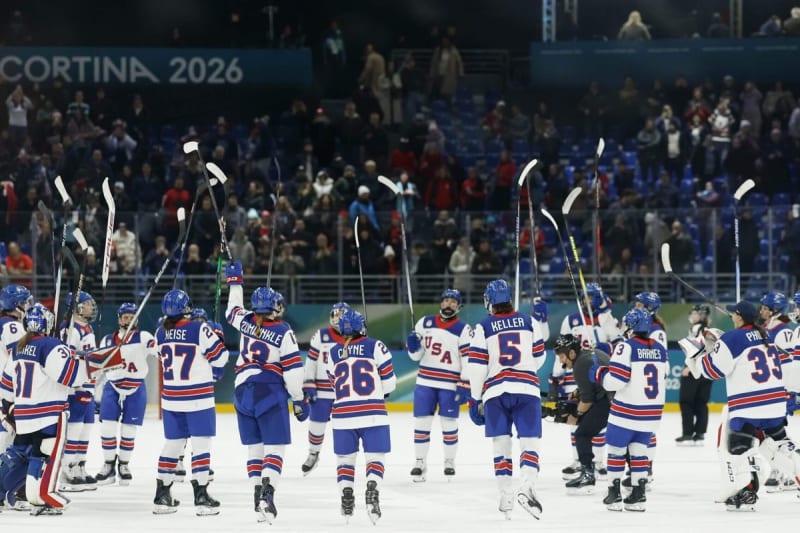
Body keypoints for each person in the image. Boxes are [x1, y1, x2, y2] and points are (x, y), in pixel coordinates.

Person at [0, 303, 122, 515]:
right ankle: (44, 497)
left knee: (21, 456)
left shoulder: (19, 347)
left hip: (23, 414)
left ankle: (13, 493)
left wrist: (9, 408)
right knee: (46, 456)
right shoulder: (51, 345)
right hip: (48, 414)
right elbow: (71, 377)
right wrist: (101, 361)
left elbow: (7, 383)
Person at [685, 301, 800, 511]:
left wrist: (700, 354)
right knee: (779, 443)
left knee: (738, 448)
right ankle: (796, 469)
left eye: (733, 314)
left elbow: (713, 372)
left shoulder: (732, 338)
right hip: (775, 404)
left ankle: (746, 490)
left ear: (738, 317)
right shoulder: (767, 335)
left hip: (749, 407)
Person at [224, 260, 307, 523]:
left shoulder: (246, 321)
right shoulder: (283, 331)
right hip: (269, 390)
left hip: (240, 391)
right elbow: (294, 372)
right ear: (273, 308)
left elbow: (232, 310)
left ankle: (256, 493)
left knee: (254, 449)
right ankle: (268, 495)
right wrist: (299, 399)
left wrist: (235, 281)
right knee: (276, 447)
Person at [467, 279, 546, 520]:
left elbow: (477, 366)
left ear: (489, 301)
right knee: (530, 442)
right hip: (526, 389)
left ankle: (506, 496)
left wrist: (474, 398)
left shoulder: (483, 326)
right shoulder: (529, 321)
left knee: (501, 445)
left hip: (495, 393)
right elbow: (539, 358)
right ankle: (528, 486)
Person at [153, 289, 228, 516]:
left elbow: (160, 356)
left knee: (173, 445)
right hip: (198, 399)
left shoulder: (160, 332)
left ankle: (162, 495)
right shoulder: (199, 329)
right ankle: (201, 496)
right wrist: (217, 337)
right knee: (201, 447)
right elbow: (222, 357)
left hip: (172, 399)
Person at [591, 307, 668, 512]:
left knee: (616, 451)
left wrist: (598, 373)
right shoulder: (660, 348)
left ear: (632, 326)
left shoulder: (626, 347)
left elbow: (614, 382)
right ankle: (638, 494)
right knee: (639, 451)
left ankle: (614, 494)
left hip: (627, 411)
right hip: (651, 413)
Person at [324, 308, 395, 524]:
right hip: (373, 412)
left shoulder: (333, 352)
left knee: (345, 460)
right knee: (375, 457)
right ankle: (372, 488)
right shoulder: (376, 345)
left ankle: (346, 495)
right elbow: (389, 383)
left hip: (343, 415)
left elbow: (332, 383)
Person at [405, 289, 473, 481]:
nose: (449, 304)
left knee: (449, 423)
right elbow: (415, 356)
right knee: (422, 423)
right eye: (446, 301)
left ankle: (449, 461)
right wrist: (413, 346)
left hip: (450, 383)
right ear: (441, 303)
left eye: (453, 301)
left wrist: (464, 383)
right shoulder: (424, 323)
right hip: (425, 381)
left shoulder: (464, 329)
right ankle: (420, 462)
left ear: (459, 306)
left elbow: (467, 358)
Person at [558, 283, 620, 479]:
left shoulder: (606, 318)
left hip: (597, 375)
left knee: (587, 419)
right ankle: (579, 460)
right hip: (584, 371)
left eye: (591, 297)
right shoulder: (572, 319)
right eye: (585, 298)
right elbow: (561, 349)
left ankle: (597, 461)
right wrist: (556, 375)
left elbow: (620, 346)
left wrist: (606, 346)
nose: (587, 301)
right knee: (580, 420)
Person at [94, 303, 157, 486]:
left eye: (131, 317)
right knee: (107, 427)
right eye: (125, 317)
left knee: (129, 429)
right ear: (119, 319)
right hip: (112, 386)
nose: (128, 320)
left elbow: (158, 351)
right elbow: (99, 365)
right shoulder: (107, 339)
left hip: (136, 387)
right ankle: (108, 465)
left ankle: (123, 465)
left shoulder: (144, 337)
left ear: (136, 320)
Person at [553, 334, 611, 494]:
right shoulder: (594, 353)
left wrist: (576, 416)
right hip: (616, 401)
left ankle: (587, 476)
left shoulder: (580, 365)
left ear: (572, 353)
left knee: (581, 435)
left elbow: (587, 401)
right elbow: (596, 384)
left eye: (562, 356)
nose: (561, 361)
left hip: (606, 403)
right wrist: (579, 392)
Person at [300, 302, 351, 476]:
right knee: (316, 424)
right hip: (322, 389)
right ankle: (313, 454)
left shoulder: (355, 336)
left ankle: (346, 459)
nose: (337, 318)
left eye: (341, 314)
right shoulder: (321, 335)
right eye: (335, 314)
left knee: (345, 427)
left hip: (344, 391)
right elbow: (311, 360)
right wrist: (309, 383)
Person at [755, 291, 796, 492]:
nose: (761, 311)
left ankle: (785, 472)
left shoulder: (784, 331)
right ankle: (785, 470)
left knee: (773, 432)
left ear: (775, 310)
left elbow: (789, 364)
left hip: (779, 390)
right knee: (769, 432)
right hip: (768, 389)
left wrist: (788, 391)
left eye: (765, 308)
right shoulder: (766, 328)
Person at [58, 291, 98, 493]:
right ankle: (66, 469)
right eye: (88, 304)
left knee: (86, 428)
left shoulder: (86, 327)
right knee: (74, 430)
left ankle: (80, 466)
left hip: (88, 385)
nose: (92, 307)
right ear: (78, 307)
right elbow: (67, 356)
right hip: (76, 388)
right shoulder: (71, 329)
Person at [0, 285, 32, 454]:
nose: (27, 305)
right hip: (5, 388)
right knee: (7, 431)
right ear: (15, 304)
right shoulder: (12, 327)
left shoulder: (5, 324)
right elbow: (20, 357)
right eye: (25, 302)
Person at [676, 305, 713, 445]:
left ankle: (687, 434)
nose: (691, 315)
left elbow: (698, 349)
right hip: (707, 371)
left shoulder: (697, 329)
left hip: (696, 369)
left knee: (686, 401)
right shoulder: (708, 330)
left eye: (694, 313)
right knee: (701, 402)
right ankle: (699, 434)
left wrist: (690, 368)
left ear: (701, 315)